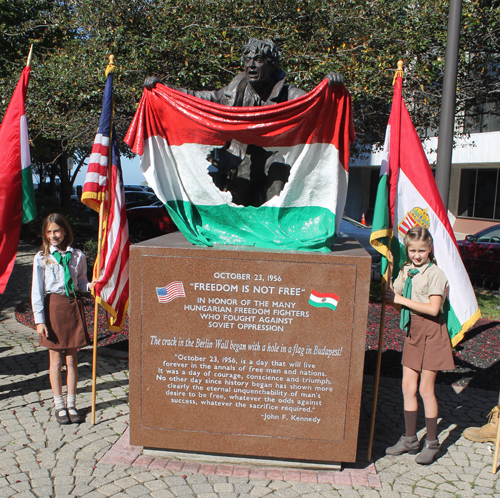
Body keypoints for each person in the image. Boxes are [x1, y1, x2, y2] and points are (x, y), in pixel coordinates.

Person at [144, 38, 344, 206]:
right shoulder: (234, 89)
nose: (251, 65)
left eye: (258, 60)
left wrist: (330, 89)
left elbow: (313, 104)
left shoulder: (287, 93)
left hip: (275, 154)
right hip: (242, 155)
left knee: (276, 182)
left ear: (271, 65)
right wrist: (167, 90)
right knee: (243, 193)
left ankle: (274, 230)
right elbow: (203, 98)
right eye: (247, 60)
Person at [383, 226, 454, 465]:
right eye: (412, 250)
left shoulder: (436, 274)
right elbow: (397, 302)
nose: (416, 255)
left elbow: (434, 309)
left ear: (430, 249)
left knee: (425, 390)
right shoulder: (406, 270)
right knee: (407, 386)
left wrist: (401, 300)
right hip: (413, 330)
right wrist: (391, 294)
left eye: (421, 250)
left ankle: (432, 443)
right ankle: (410, 438)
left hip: (432, 331)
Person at [32, 213, 94, 424]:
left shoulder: (77, 256)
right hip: (53, 309)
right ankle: (59, 404)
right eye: (49, 232)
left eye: (56, 230)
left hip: (72, 308)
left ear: (65, 231)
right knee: (56, 360)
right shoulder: (42, 257)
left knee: (71, 359)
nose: (53, 235)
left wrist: (91, 286)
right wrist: (39, 320)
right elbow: (37, 291)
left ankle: (71, 403)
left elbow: (82, 280)